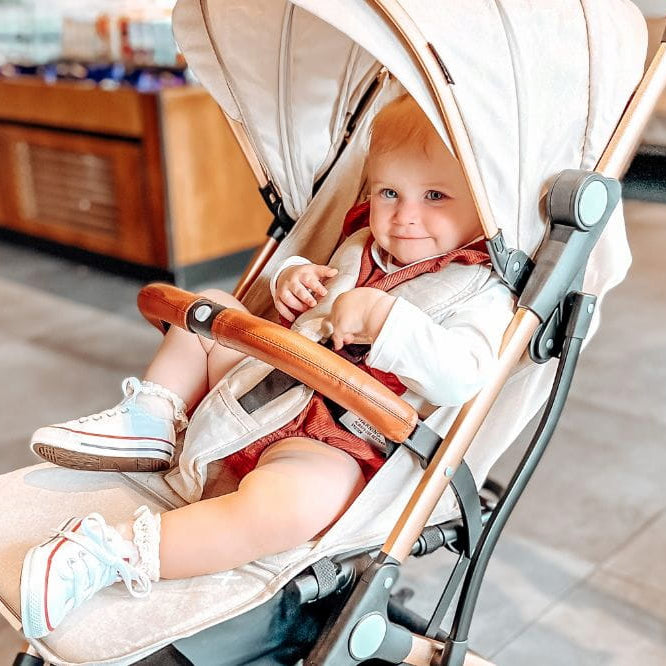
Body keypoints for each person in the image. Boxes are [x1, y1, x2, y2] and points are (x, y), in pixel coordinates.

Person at [20, 94, 515, 639]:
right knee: (209, 308)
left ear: (484, 207)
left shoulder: (482, 292)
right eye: (388, 192)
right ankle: (150, 420)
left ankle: (106, 553)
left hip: (333, 439)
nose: (404, 216)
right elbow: (312, 291)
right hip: (259, 388)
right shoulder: (362, 244)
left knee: (294, 507)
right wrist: (293, 278)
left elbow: (465, 375)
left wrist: (387, 321)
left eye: (435, 196)